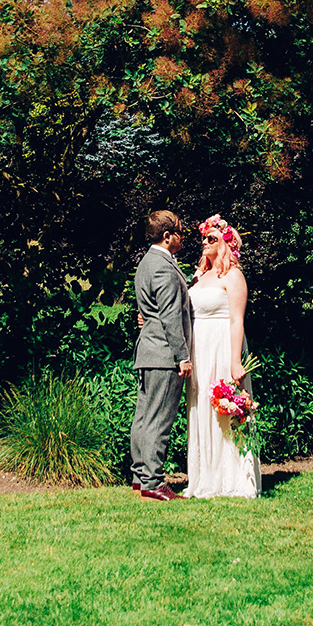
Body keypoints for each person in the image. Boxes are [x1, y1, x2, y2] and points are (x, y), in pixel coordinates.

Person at [183, 215, 259, 498]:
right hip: (199, 349)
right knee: (200, 408)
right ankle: (204, 478)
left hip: (222, 346)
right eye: (203, 238)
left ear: (226, 243)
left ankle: (231, 478)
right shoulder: (199, 276)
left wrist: (235, 361)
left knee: (223, 410)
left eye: (211, 238)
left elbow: (237, 321)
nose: (204, 242)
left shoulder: (234, 276)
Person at [130, 209, 193, 500]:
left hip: (147, 350)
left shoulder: (146, 263)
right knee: (158, 420)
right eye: (180, 232)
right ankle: (154, 482)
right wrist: (182, 356)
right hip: (163, 353)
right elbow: (169, 316)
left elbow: (149, 310)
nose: (183, 237)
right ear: (167, 237)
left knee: (144, 416)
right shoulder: (164, 267)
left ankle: (140, 476)